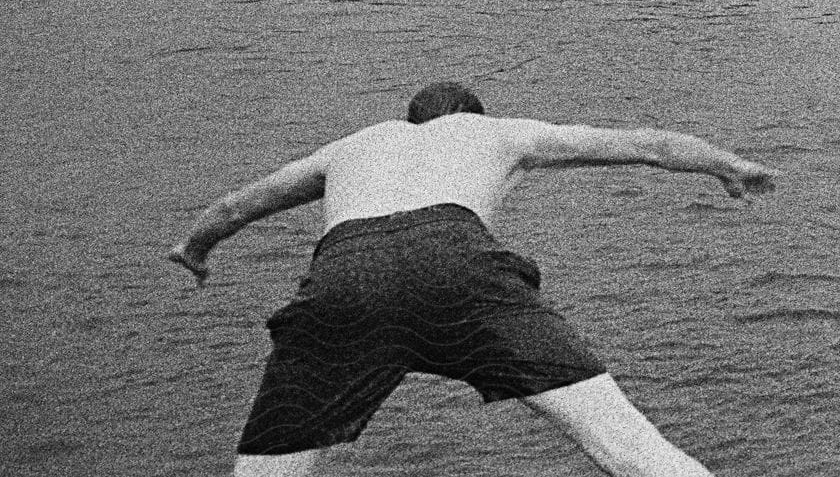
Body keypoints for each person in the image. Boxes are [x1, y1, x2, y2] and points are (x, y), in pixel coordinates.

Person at [168, 81, 776, 476]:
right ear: (472, 115)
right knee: (634, 452)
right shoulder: (494, 131)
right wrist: (729, 166)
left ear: (408, 121)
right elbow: (643, 144)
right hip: (458, 268)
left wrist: (194, 250)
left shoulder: (353, 145)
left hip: (343, 279)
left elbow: (235, 207)